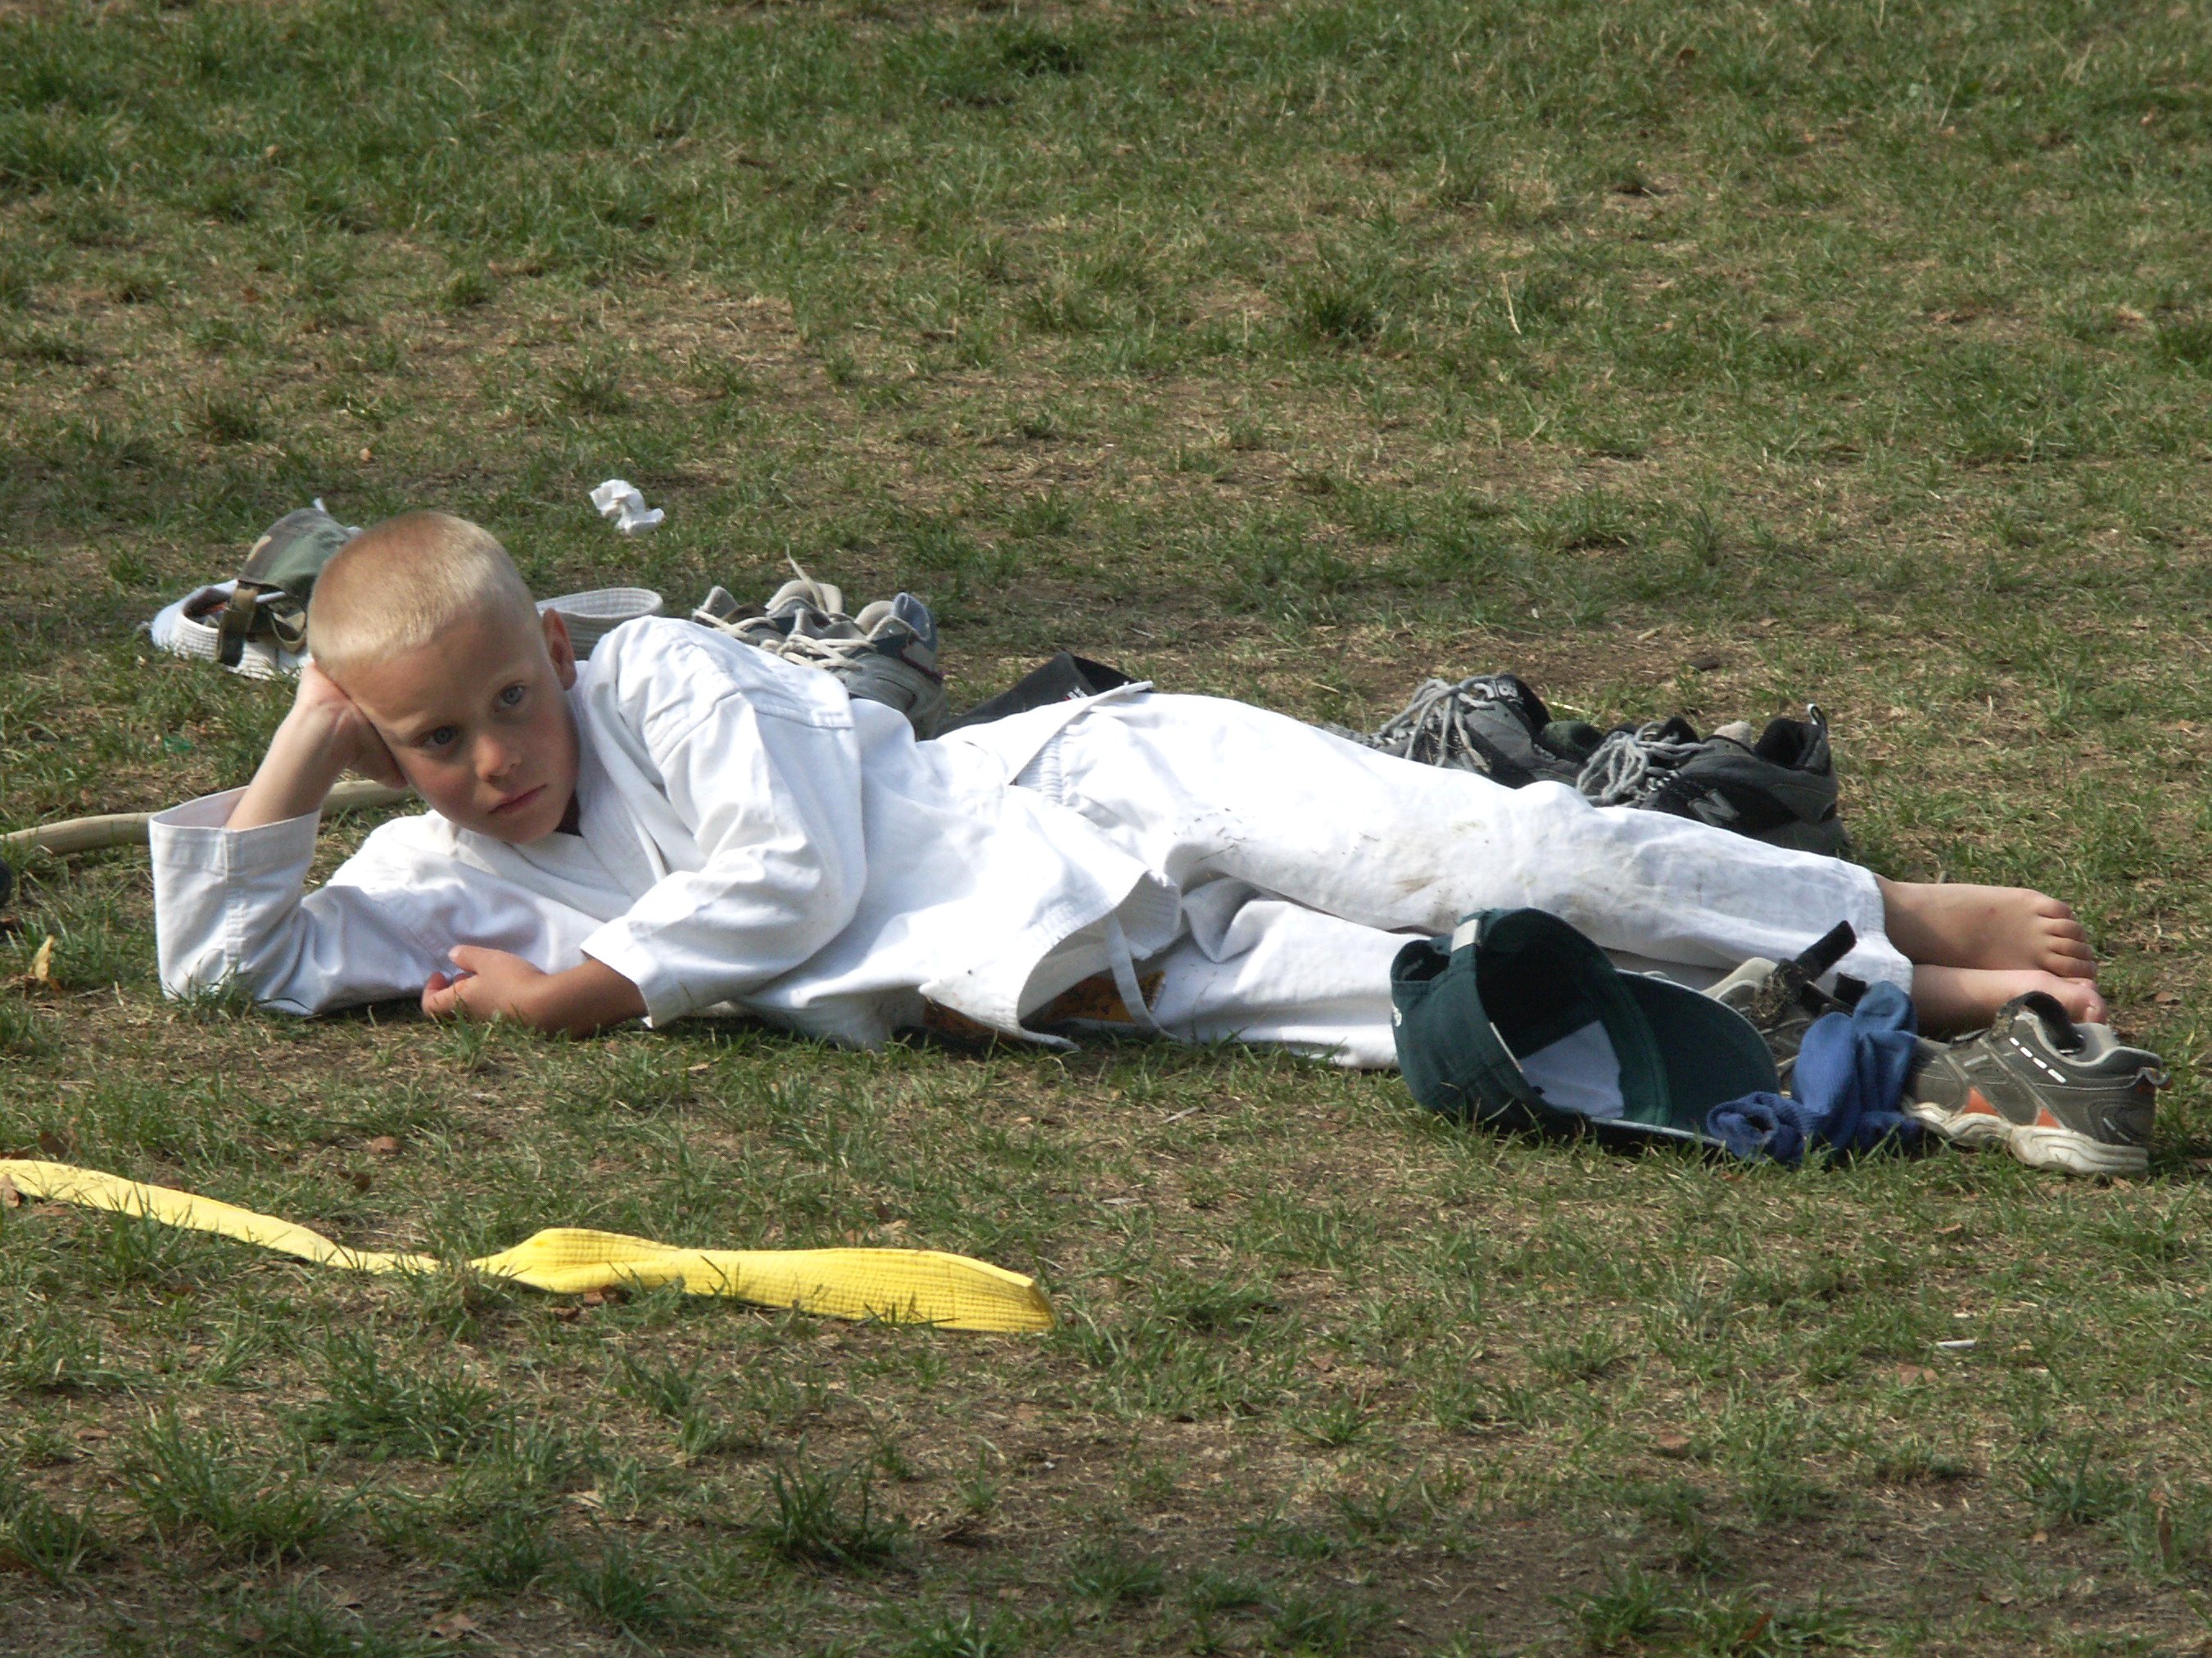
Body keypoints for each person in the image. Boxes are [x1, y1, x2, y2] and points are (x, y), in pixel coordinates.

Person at [152, 513, 2105, 1070]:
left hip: (1104, 785)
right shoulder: (447, 869)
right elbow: (230, 971)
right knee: (1478, 988)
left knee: (1498, 844)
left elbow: (790, 875)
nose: (493, 758)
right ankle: (1907, 1000)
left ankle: (1872, 907)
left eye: (509, 701)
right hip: (1094, 971)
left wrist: (584, 993)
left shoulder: (665, 673)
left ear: (557, 652)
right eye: (434, 739)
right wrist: (299, 745)